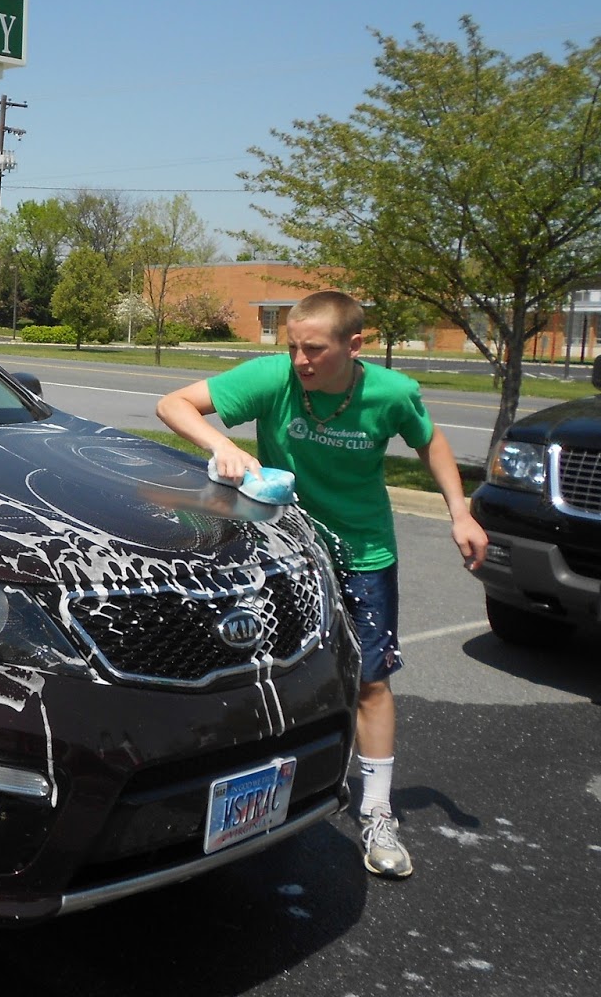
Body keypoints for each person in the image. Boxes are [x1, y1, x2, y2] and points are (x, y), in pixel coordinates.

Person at [155, 289, 487, 880]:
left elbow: (430, 441)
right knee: (263, 671)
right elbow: (174, 404)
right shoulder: (272, 377)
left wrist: (459, 511)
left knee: (369, 681)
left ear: (353, 345)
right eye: (292, 348)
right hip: (283, 550)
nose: (301, 361)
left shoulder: (390, 393)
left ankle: (378, 811)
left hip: (363, 553)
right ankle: (252, 795)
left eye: (314, 349)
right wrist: (223, 443)